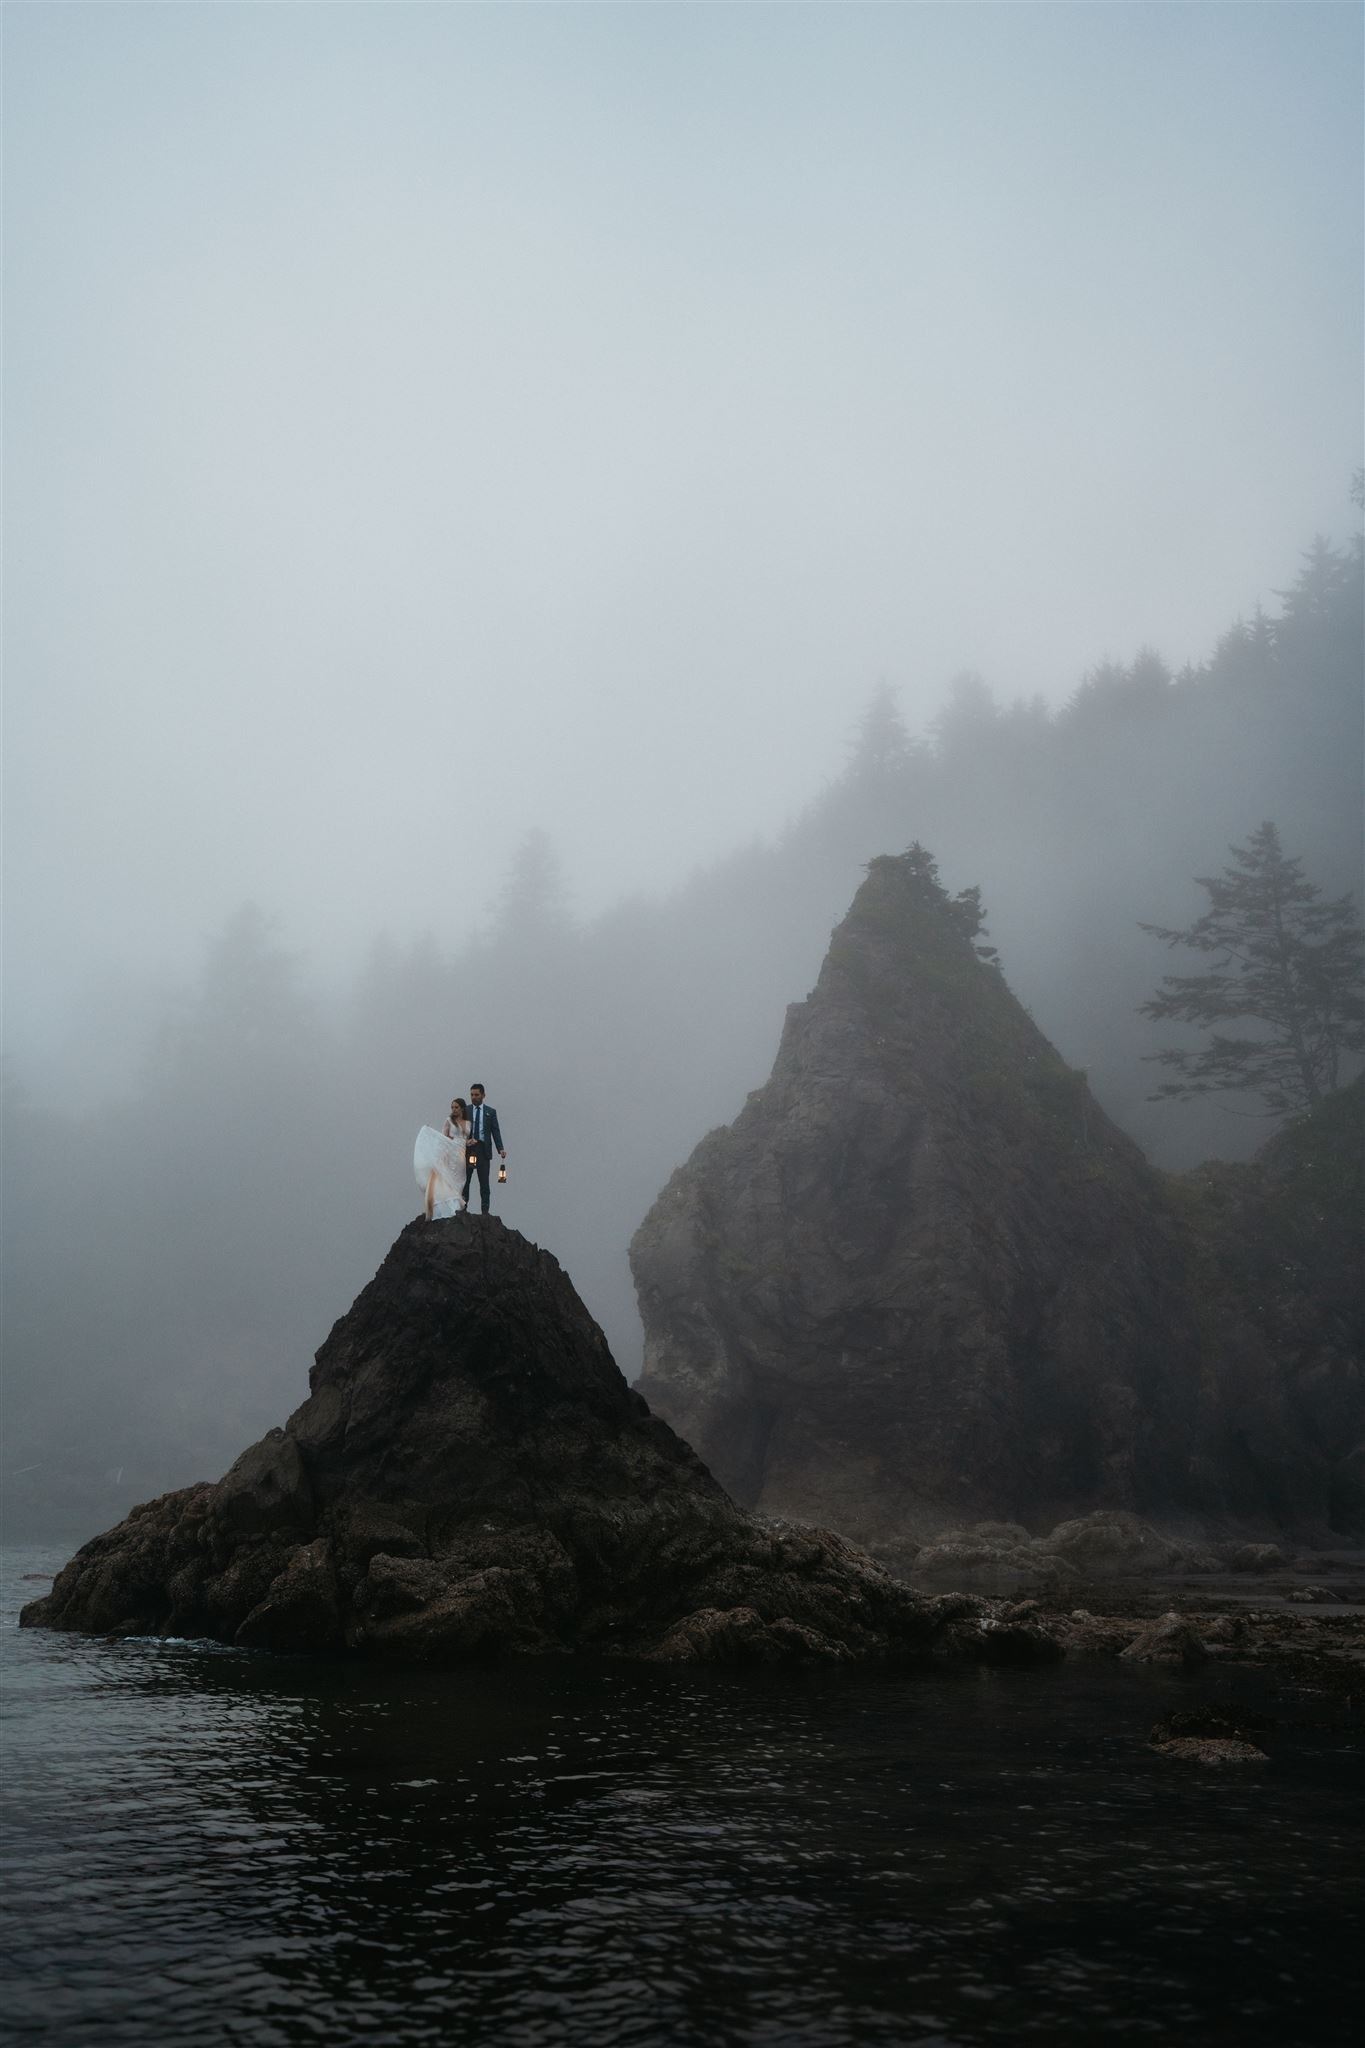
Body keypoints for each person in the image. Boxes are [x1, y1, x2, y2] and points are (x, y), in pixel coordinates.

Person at [414, 1098, 471, 1220]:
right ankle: (447, 1206)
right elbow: (443, 1139)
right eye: (452, 1107)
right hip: (452, 1150)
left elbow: (465, 1139)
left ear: (462, 1108)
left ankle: (457, 1204)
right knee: (447, 1178)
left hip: (462, 1153)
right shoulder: (449, 1121)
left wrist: (470, 1142)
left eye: (456, 1107)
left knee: (458, 1179)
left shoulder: (468, 1123)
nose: (454, 1110)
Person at [461, 1083, 507, 1215]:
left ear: (483, 1095)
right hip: (469, 1148)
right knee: (465, 1181)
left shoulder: (490, 1112)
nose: (474, 1097)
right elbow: (460, 1129)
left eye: (476, 1095)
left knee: (484, 1182)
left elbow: (495, 1131)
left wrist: (501, 1148)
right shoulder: (466, 1110)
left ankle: (485, 1210)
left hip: (483, 1149)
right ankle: (463, 1206)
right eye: (471, 1095)